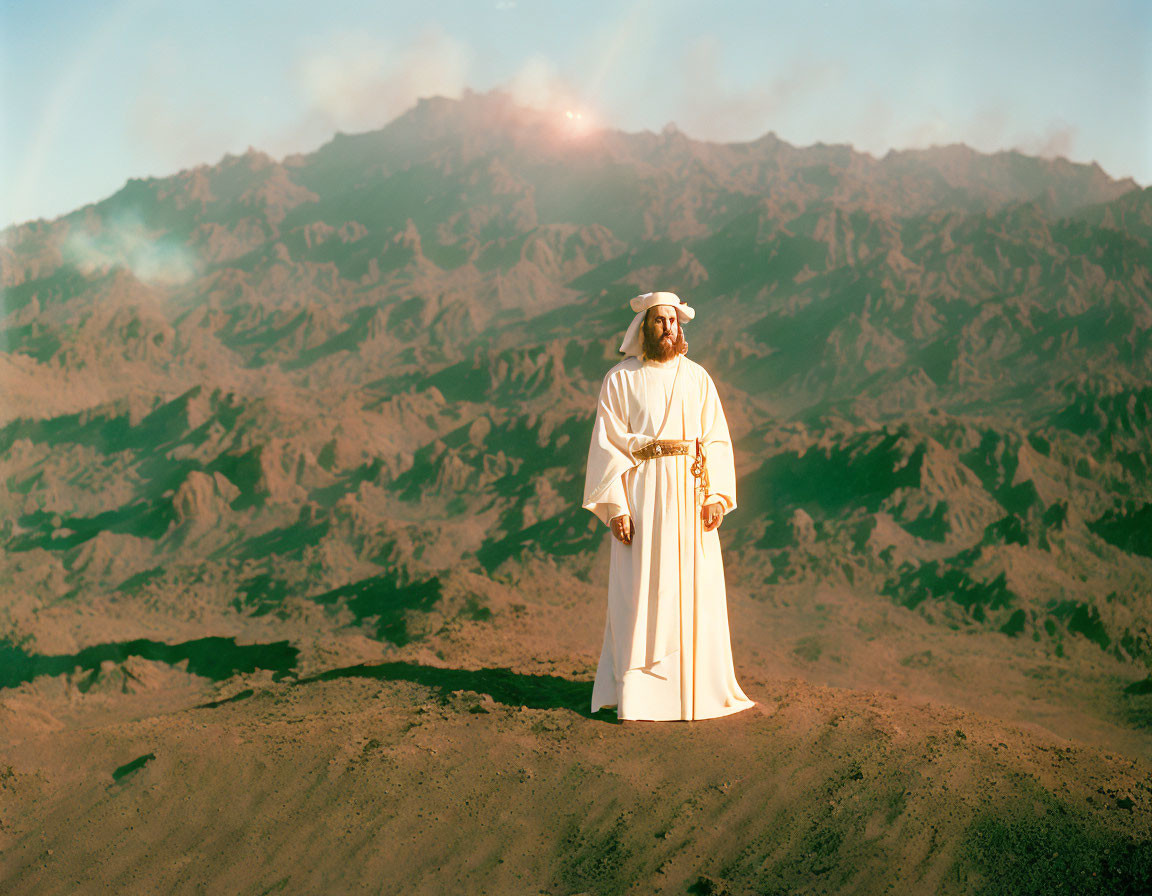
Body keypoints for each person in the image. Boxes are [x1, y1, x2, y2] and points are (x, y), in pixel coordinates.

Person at [582, 291, 755, 721]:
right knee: (640, 590)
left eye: (673, 321)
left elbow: (715, 438)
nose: (667, 328)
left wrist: (716, 496)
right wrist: (617, 508)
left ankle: (695, 692)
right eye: (659, 321)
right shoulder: (619, 380)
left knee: (694, 591)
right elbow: (607, 445)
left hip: (690, 496)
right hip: (641, 496)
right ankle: (640, 695)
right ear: (644, 328)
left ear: (681, 328)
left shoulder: (698, 378)